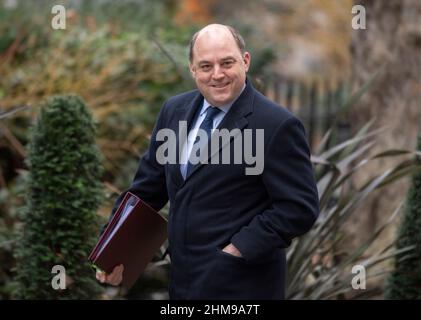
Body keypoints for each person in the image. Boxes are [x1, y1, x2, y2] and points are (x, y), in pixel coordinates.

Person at [96, 23, 319, 299]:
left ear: (245, 61)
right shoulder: (173, 112)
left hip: (244, 287)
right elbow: (146, 190)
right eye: (205, 66)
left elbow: (299, 207)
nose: (217, 75)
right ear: (192, 69)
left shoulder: (277, 125)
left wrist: (236, 251)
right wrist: (114, 251)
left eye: (227, 63)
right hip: (183, 283)